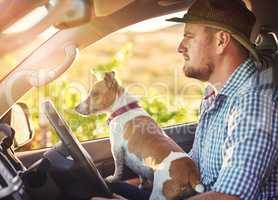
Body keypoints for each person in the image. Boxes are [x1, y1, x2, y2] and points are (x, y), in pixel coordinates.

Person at [92, 0, 278, 199]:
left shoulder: (254, 104)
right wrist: (142, 182)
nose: (180, 47)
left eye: (189, 36)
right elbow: (195, 166)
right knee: (104, 188)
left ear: (221, 41)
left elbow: (228, 197)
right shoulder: (215, 95)